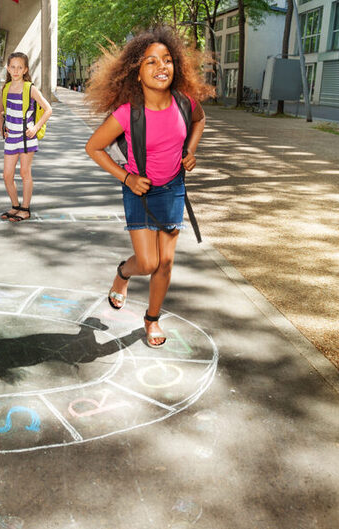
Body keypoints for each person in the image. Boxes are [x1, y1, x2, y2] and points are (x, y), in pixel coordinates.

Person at [84, 26, 212, 347]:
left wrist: (190, 151)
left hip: (172, 189)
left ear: (175, 66)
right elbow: (94, 147)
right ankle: (124, 274)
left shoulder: (184, 103)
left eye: (167, 60)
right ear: (137, 73)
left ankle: (151, 319)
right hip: (138, 190)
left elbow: (200, 119)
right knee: (147, 263)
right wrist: (126, 177)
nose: (161, 67)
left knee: (165, 263)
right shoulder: (128, 113)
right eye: (151, 62)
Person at [0, 52, 53, 222]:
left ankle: (25, 209)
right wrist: (2, 128)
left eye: (19, 67)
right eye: (12, 67)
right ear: (7, 68)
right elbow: (0, 111)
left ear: (25, 69)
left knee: (24, 173)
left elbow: (48, 109)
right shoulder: (6, 88)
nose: (15, 70)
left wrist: (36, 128)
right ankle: (15, 206)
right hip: (11, 137)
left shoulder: (30, 88)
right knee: (7, 175)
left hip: (26, 137)